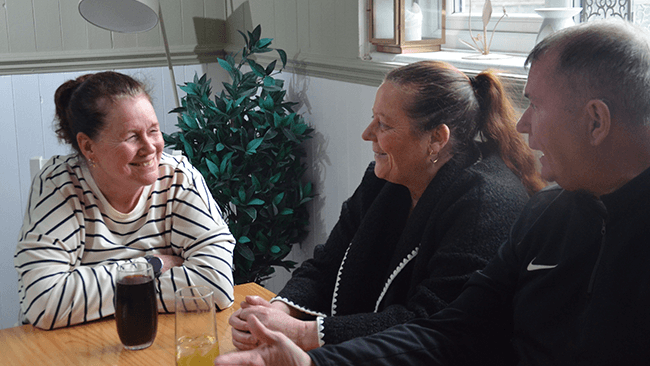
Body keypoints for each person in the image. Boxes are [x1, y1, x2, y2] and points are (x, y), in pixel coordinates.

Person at [214, 18, 650, 366]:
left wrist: (311, 336)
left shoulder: (489, 201)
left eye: (535, 105)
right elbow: (451, 332)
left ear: (596, 121)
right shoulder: (547, 214)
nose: (522, 124)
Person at [228, 60, 545, 352]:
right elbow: (327, 264)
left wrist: (301, 333)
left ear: (436, 138)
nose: (367, 134)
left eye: (384, 125)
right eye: (372, 119)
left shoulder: (483, 203)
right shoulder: (384, 179)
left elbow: (432, 323)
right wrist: (276, 313)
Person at [14, 71, 235, 330]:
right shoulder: (59, 185)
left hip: (158, 338)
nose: (150, 147)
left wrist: (95, 293)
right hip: (72, 346)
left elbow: (216, 284)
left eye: (153, 130)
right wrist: (153, 265)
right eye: (132, 137)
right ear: (88, 147)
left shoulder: (179, 179)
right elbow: (44, 302)